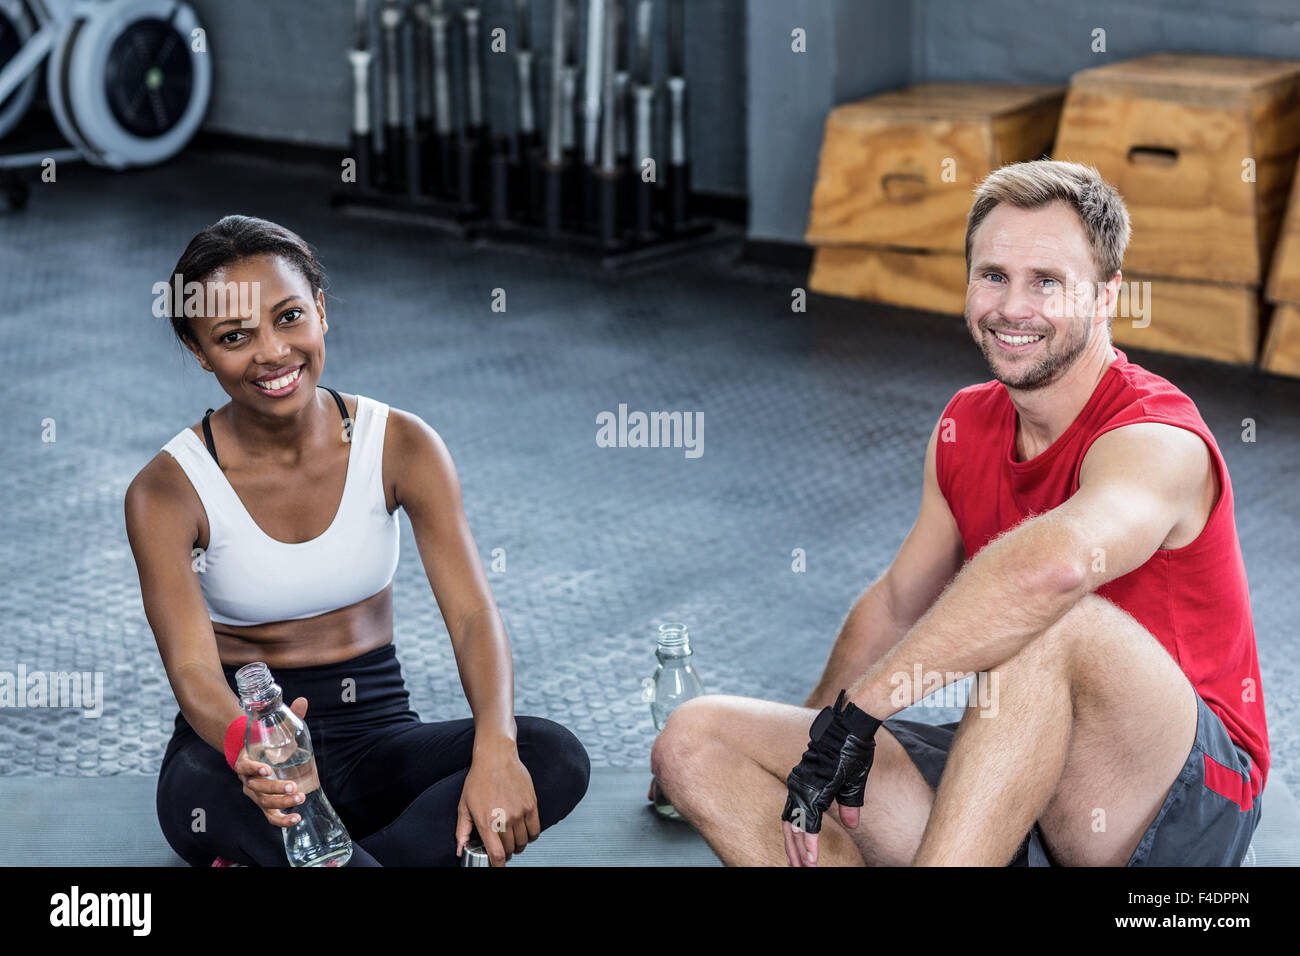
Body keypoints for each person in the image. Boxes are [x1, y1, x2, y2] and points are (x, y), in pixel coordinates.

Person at [650, 160, 1268, 867]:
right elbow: (895, 604)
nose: (1012, 307)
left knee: (1051, 623)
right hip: (1017, 764)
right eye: (993, 275)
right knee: (693, 740)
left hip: (1177, 795)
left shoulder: (1156, 437)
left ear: (1106, 298)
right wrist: (821, 740)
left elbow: (1058, 568)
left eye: (1047, 282)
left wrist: (867, 709)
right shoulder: (963, 426)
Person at [125, 215, 589, 867]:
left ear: (320, 308)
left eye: (288, 317)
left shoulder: (402, 445)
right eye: (234, 336)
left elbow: (473, 616)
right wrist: (248, 749)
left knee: (553, 755)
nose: (271, 353)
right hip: (239, 763)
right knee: (246, 810)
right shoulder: (166, 491)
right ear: (200, 351)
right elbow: (194, 668)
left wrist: (495, 746)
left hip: (378, 747)